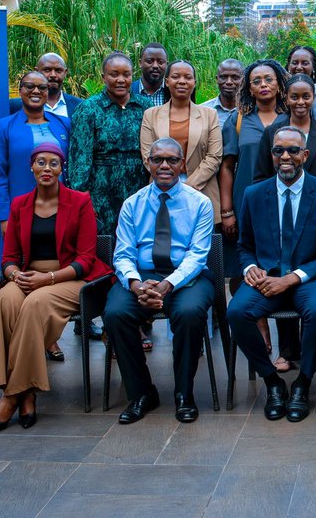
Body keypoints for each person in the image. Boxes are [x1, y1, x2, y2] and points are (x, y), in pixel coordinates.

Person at [0, 142, 111, 434]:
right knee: (5, 302)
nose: (47, 168)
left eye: (54, 163)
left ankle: (10, 396)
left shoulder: (79, 201)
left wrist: (49, 278)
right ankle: (27, 393)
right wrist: (16, 276)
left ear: (61, 169)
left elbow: (86, 259)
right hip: (27, 276)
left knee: (35, 304)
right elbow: (9, 258)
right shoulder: (19, 205)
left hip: (69, 278)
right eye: (41, 162)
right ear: (31, 167)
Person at [227, 127, 316, 423]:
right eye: (278, 150)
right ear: (271, 155)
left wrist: (292, 279)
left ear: (305, 155)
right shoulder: (254, 194)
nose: (285, 156)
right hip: (267, 277)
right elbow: (244, 247)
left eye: (293, 150)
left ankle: (303, 384)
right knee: (237, 312)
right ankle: (273, 383)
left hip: (311, 278)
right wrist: (249, 268)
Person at [102, 138, 215, 424]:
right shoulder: (132, 204)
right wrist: (135, 284)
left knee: (189, 313)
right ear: (148, 163)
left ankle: (183, 394)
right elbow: (124, 254)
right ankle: (141, 393)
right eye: (158, 160)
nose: (164, 165)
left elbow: (197, 256)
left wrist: (167, 285)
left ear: (182, 164)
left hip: (186, 277)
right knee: (115, 314)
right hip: (143, 276)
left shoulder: (200, 203)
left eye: (172, 160)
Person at [253, 73, 316, 372]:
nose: (300, 102)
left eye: (306, 96)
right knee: (280, 270)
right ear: (285, 98)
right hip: (280, 212)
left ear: (313, 98)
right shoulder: (274, 132)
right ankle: (287, 349)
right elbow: (261, 175)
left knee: (310, 286)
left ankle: (310, 349)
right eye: (294, 97)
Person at [67, 52, 152, 235]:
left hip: (140, 189)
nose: (121, 80)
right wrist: (83, 199)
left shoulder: (146, 107)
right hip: (101, 191)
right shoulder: (89, 109)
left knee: (138, 241)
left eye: (126, 74)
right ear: (103, 77)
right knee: (103, 246)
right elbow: (79, 159)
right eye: (114, 74)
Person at [219, 60, 289, 275]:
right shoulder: (238, 120)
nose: (263, 84)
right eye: (256, 81)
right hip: (246, 201)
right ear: (249, 88)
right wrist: (227, 211)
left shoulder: (292, 118)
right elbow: (227, 167)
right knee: (247, 264)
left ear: (279, 85)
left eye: (269, 79)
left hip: (286, 199)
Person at [140, 61, 223, 226]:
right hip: (161, 187)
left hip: (201, 189)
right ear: (167, 81)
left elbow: (214, 156)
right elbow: (147, 155)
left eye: (188, 77)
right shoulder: (151, 115)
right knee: (162, 243)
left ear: (194, 82)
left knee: (199, 245)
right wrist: (170, 185)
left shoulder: (209, 115)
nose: (182, 81)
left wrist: (186, 188)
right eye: (176, 77)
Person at [0, 70, 72, 236]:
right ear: (20, 90)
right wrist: (4, 217)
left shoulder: (63, 123)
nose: (36, 91)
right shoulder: (3, 127)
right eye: (29, 86)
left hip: (61, 207)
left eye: (42, 87)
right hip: (21, 209)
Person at [8, 53, 82, 117]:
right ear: (37, 71)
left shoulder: (79, 106)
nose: (53, 75)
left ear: (65, 73)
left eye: (58, 70)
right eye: (47, 70)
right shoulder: (14, 106)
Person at [202, 58, 244, 127]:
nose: (229, 82)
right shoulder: (203, 111)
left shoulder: (252, 111)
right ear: (217, 79)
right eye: (223, 77)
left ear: (243, 80)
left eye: (235, 77)